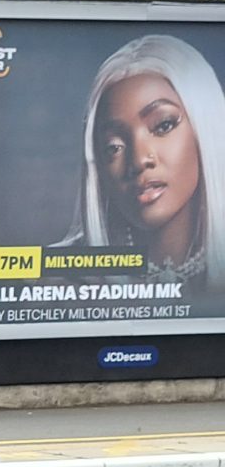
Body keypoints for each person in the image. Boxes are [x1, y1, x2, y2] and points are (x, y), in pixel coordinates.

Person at [76, 32, 225, 291]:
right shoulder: (69, 277)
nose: (140, 160)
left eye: (163, 125)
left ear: (205, 128)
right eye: (114, 146)